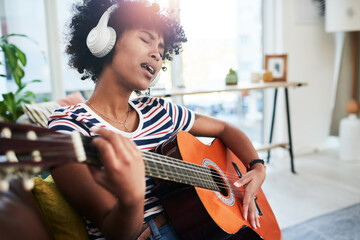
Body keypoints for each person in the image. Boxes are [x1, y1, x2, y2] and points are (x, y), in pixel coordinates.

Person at [48, 0, 266, 239]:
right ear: (107, 40)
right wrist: (132, 198)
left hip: (198, 223)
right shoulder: (68, 128)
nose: (156, 55)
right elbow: (115, 231)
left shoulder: (160, 110)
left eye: (161, 52)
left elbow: (225, 128)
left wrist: (257, 167)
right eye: (145, 39)